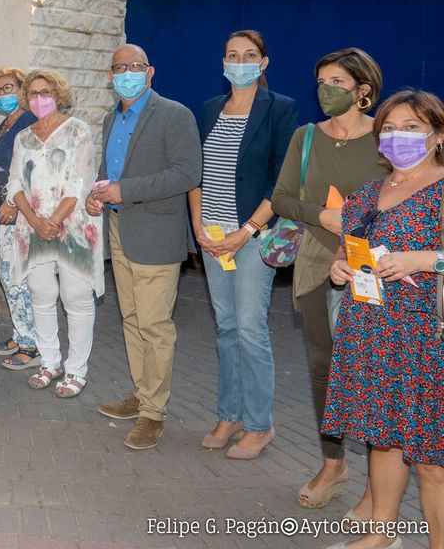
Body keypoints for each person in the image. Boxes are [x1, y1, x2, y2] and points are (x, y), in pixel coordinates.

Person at [323, 90, 444, 549]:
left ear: (437, 136)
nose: (399, 137)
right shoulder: (366, 195)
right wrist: (338, 267)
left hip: (427, 338)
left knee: (433, 458)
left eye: (413, 127)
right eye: (390, 128)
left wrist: (426, 259)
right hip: (373, 332)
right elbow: (347, 250)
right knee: (384, 438)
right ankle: (381, 535)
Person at [272, 47, 385, 509]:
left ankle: (381, 485)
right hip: (319, 263)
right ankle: (333, 462)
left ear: (364, 90)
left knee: (378, 371)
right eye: (321, 80)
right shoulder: (306, 137)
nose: (325, 89)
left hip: (377, 268)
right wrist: (320, 214)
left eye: (337, 82)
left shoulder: (389, 135)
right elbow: (281, 198)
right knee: (323, 367)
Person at [189, 31, 299, 459]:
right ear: (222, 62)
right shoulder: (211, 108)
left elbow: (281, 180)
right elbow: (197, 171)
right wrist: (198, 225)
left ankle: (259, 424)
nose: (240, 61)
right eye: (233, 55)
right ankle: (229, 413)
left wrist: (246, 231)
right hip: (212, 235)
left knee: (251, 330)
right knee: (226, 327)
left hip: (252, 235)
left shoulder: (280, 109)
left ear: (264, 63)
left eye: (249, 55)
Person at [86, 44, 201, 450]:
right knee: (132, 319)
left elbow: (187, 173)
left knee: (154, 325)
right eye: (119, 67)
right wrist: (97, 193)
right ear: (110, 75)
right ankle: (142, 394)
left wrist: (124, 190)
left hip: (156, 233)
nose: (126, 73)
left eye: (134, 66)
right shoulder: (108, 119)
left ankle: (154, 413)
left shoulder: (174, 114)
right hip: (120, 229)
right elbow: (110, 172)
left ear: (149, 72)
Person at [9, 70, 103, 397]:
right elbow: (15, 183)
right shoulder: (23, 137)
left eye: (45, 91)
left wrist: (54, 220)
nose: (39, 99)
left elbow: (82, 180)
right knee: (40, 294)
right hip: (32, 226)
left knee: (75, 297)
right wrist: (36, 221)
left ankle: (76, 370)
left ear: (58, 94)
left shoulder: (78, 131)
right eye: (32, 94)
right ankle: (49, 361)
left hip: (73, 225)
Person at [0, 67, 36, 369]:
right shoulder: (5, 124)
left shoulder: (28, 122)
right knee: (8, 276)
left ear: (22, 89)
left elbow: (29, 168)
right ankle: (20, 333)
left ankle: (31, 345)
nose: (2, 94)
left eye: (8, 87)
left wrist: (15, 204)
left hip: (14, 211)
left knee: (17, 277)